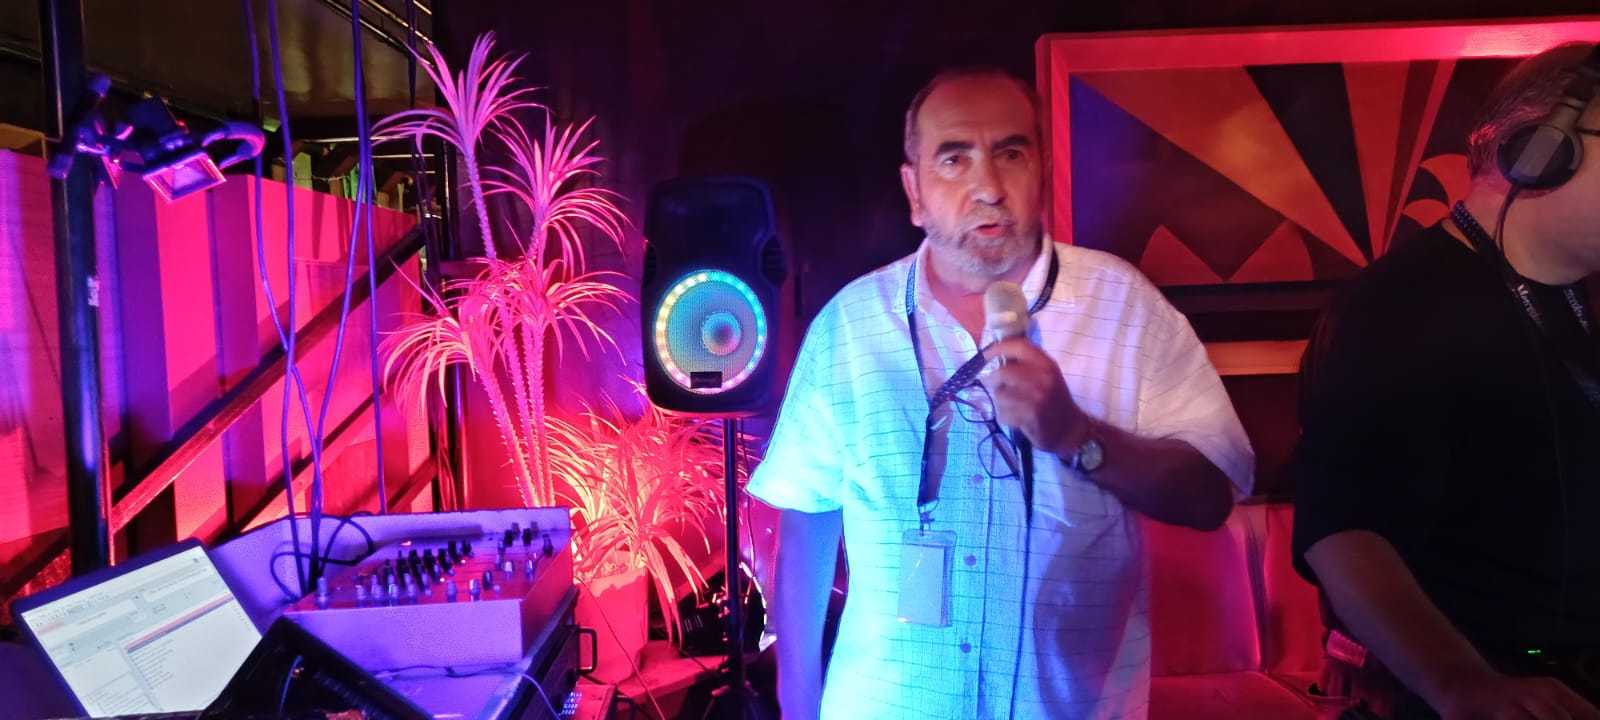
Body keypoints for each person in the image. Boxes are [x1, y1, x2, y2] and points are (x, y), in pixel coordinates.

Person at [744, 67, 1254, 720]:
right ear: (914, 191)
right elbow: (809, 514)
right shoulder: (851, 325)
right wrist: (796, 702)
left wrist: (1080, 438)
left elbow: (1211, 495)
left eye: (1010, 154)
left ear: (1043, 170)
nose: (987, 187)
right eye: (954, 159)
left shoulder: (1124, 309)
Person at [1293, 43, 1600, 720]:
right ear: (1543, 150)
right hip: (1483, 697)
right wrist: (1463, 684)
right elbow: (1343, 534)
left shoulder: (1579, 299)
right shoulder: (1396, 306)